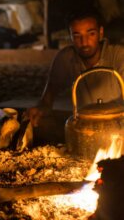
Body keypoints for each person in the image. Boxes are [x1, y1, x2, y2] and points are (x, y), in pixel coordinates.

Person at [25, 7, 124, 141]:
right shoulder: (66, 58)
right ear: (70, 36)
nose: (84, 42)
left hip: (117, 129)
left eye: (91, 34)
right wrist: (40, 110)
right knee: (39, 125)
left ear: (101, 33)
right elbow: (47, 99)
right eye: (77, 35)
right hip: (83, 129)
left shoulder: (118, 55)